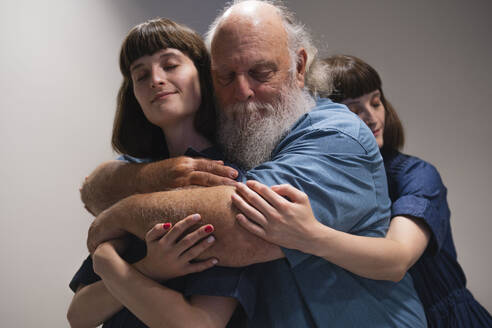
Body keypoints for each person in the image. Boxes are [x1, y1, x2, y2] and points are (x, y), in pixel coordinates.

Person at [81, 1, 427, 327]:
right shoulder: (237, 136)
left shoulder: (336, 135)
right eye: (226, 77)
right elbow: (94, 187)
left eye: (261, 72)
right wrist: (150, 175)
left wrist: (120, 214)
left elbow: (236, 228)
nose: (243, 91)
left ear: (300, 66)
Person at [231, 54, 492, 327]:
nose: (371, 116)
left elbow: (397, 260)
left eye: (376, 102)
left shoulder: (416, 176)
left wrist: (308, 236)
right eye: (353, 109)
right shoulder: (323, 172)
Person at [67, 18, 255, 327]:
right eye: (140, 75)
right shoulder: (127, 178)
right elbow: (78, 315)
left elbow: (201, 324)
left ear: (203, 74)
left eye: (170, 65)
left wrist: (111, 267)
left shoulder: (230, 177)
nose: (155, 79)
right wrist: (150, 268)